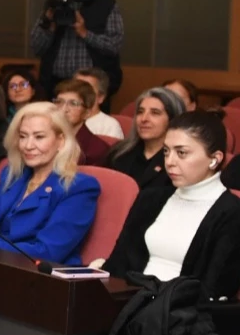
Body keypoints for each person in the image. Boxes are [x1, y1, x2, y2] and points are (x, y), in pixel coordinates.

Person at [98, 111, 240, 298]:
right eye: (166, 151)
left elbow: (214, 288)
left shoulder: (232, 213)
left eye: (182, 153)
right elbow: (118, 263)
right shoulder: (150, 199)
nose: (169, 162)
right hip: (129, 300)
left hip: (180, 310)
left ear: (214, 159)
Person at [0, 102, 101, 265]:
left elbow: (49, 251)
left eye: (39, 137)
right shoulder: (12, 175)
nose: (28, 146)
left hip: (39, 272)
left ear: (61, 141)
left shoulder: (79, 187)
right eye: (23, 136)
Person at [29, 0, 124, 108]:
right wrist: (50, 26)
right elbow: (36, 47)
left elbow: (115, 45)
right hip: (55, 85)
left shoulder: (107, 4)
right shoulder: (55, 3)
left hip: (93, 88)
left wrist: (85, 33)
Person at [106, 87, 185, 191]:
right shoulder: (118, 153)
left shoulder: (181, 161)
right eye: (140, 112)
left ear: (172, 119)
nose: (144, 119)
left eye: (155, 113)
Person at [54, 78, 110, 166]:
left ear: (87, 113)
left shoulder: (97, 150)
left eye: (73, 104)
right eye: (59, 102)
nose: (63, 109)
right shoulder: (45, 139)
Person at [74, 67, 125, 138]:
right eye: (75, 88)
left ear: (100, 97)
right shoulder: (62, 120)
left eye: (87, 90)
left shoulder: (109, 126)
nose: (79, 93)